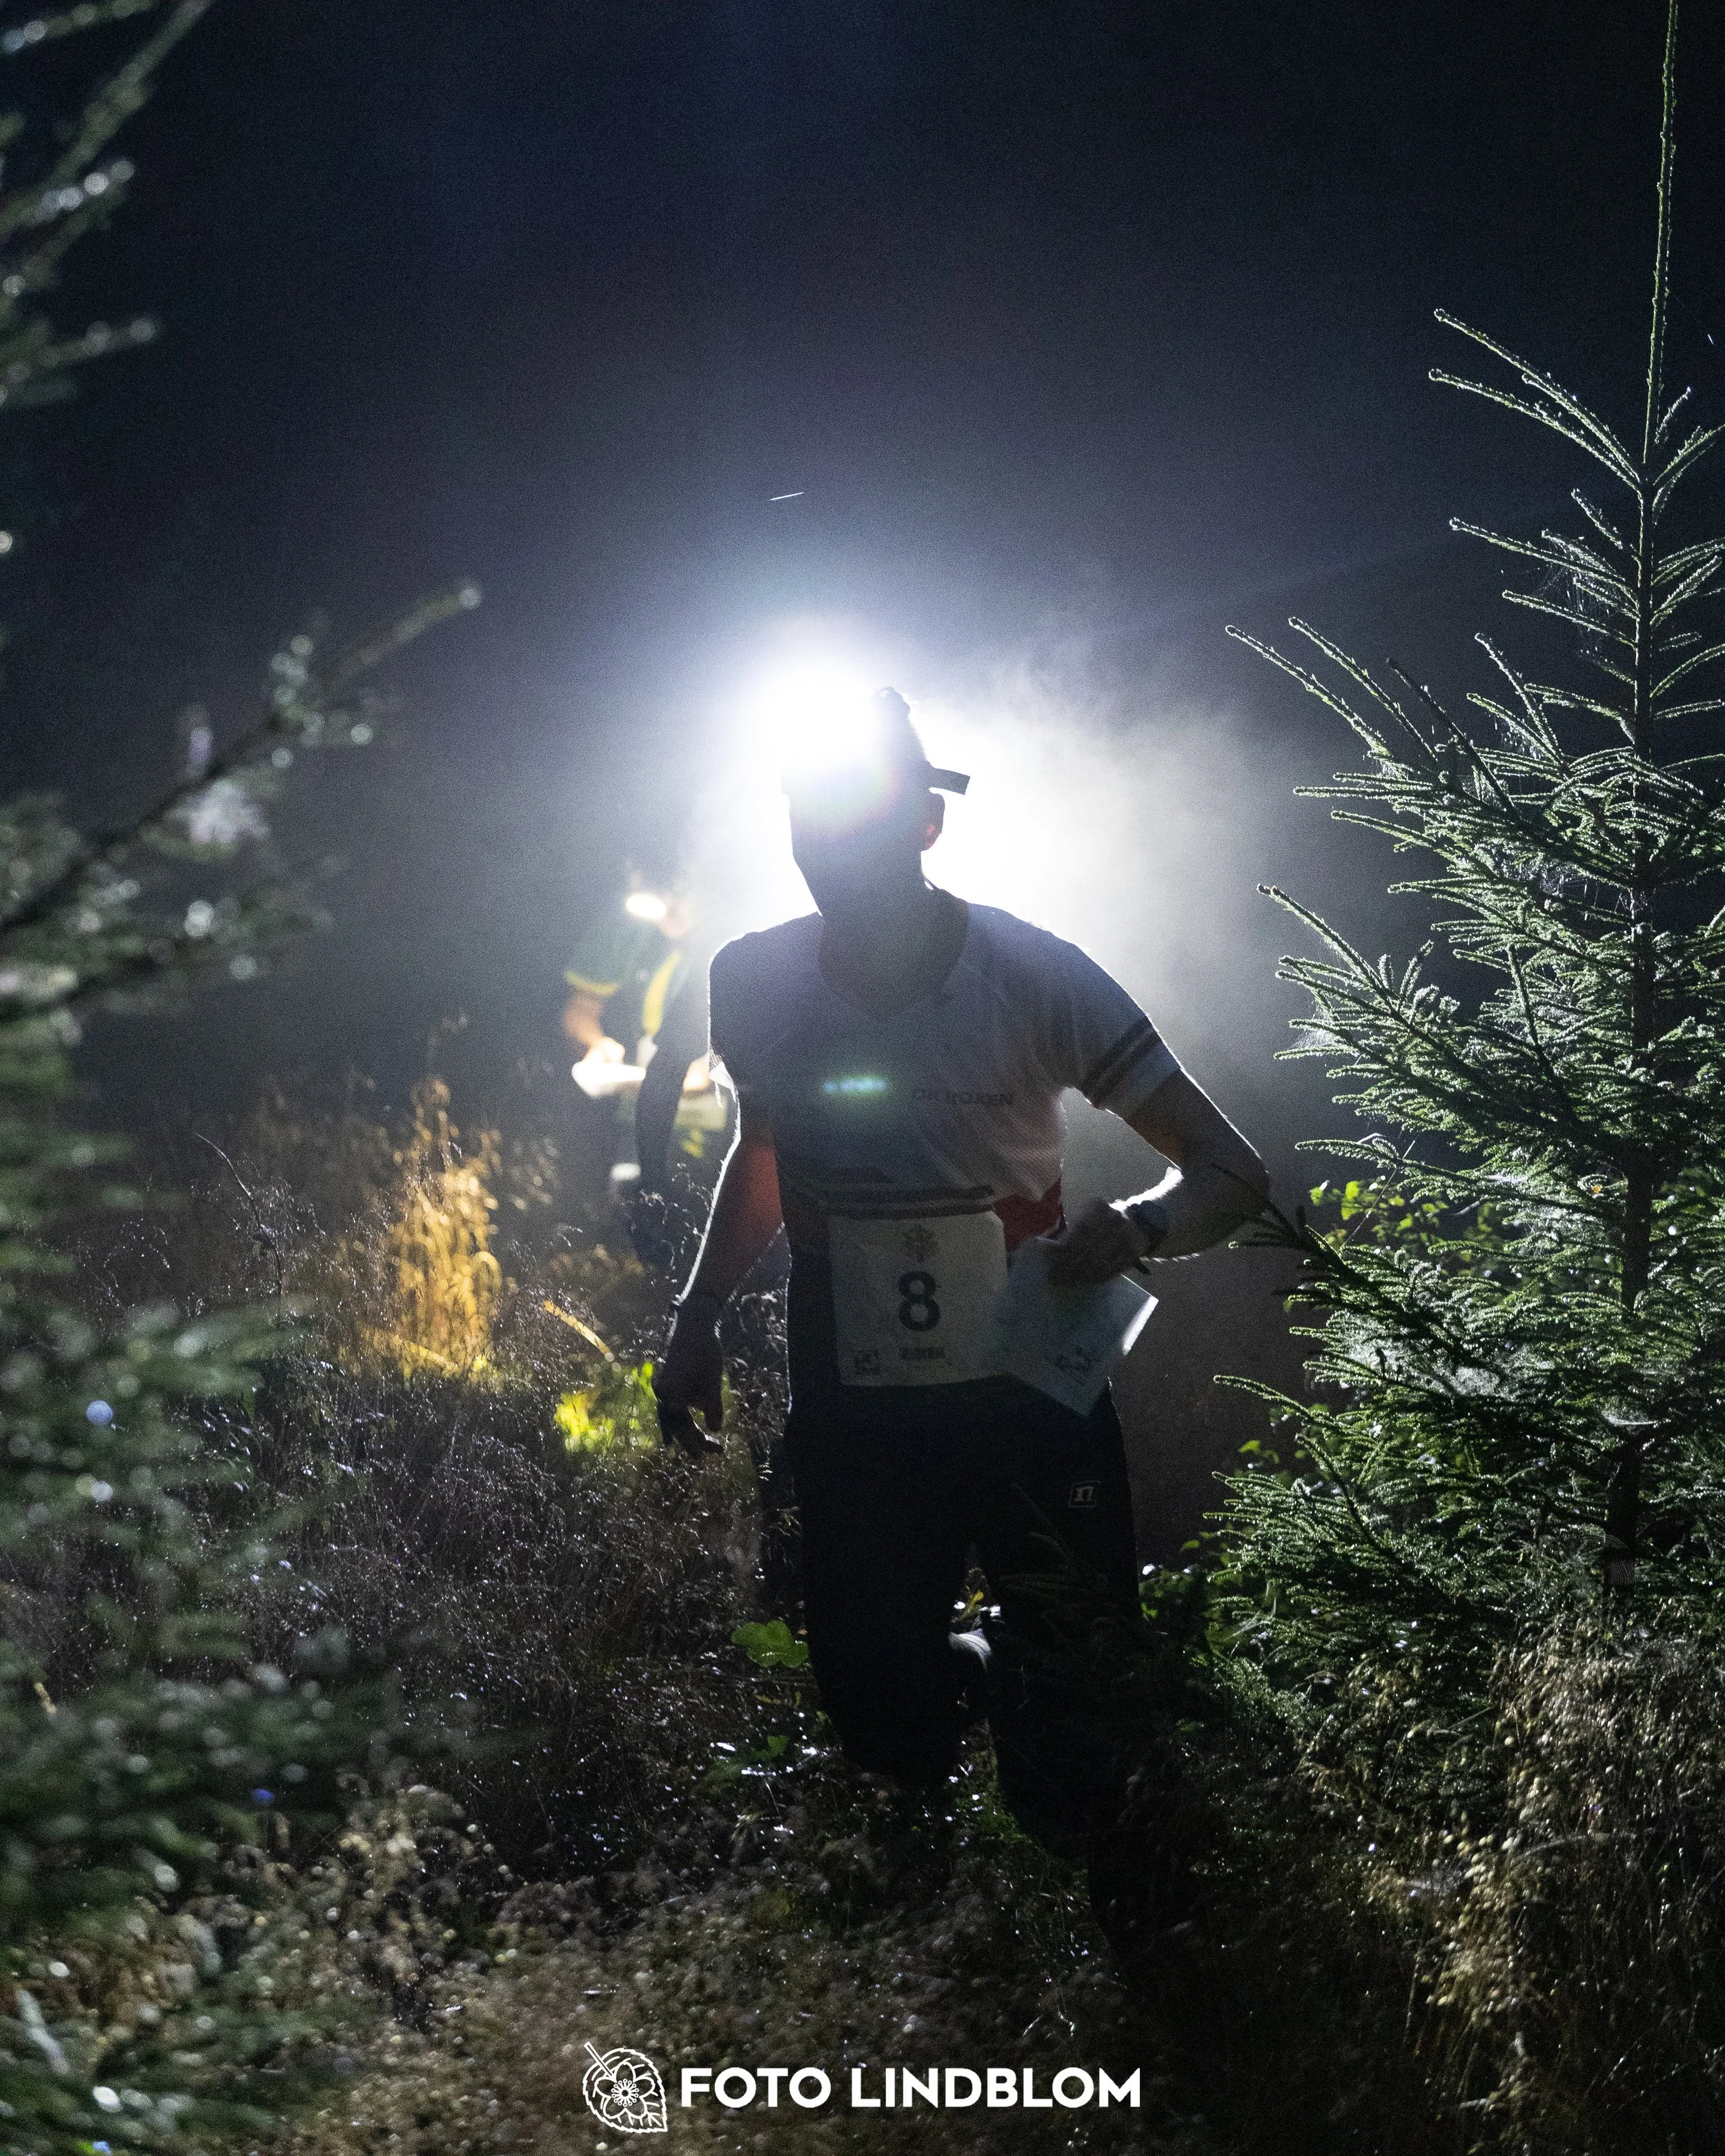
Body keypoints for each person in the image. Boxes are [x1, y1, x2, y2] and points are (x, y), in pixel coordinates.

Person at [651, 686, 1268, 1856]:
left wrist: (1135, 1227)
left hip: (1031, 1370)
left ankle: (1101, 1912)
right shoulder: (755, 980)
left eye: (857, 821)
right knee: (880, 1716)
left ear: (927, 827)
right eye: (805, 820)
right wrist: (697, 1322)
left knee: (1077, 1730)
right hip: (854, 1372)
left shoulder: (1038, 976)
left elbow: (1232, 1174)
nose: (826, 849)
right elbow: (767, 1150)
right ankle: (951, 1742)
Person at [563, 871, 722, 1199]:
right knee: (632, 1213)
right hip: (641, 1120)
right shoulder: (632, 931)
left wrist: (630, 1080)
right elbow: (580, 1009)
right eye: (664, 896)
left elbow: (696, 1078)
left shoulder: (735, 944)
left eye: (685, 896)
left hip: (719, 1130)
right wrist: (598, 1043)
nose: (671, 909)